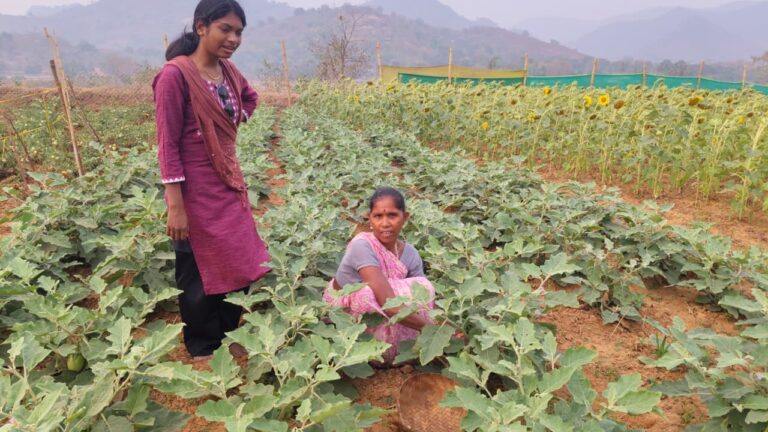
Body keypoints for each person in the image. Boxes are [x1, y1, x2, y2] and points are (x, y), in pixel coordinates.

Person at [153, 0, 269, 360]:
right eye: (225, 29)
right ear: (201, 27)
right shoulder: (174, 76)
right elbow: (167, 143)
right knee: (197, 268)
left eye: (239, 32)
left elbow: (250, 98)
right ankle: (203, 346)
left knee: (237, 259)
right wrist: (176, 205)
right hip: (192, 190)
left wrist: (228, 128)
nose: (233, 38)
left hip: (228, 183)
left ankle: (228, 332)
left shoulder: (229, 73)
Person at [324, 187, 437, 364]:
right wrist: (435, 332)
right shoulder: (362, 245)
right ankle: (369, 353)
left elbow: (423, 302)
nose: (385, 223)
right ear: (370, 218)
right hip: (348, 314)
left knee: (424, 287)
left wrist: (449, 328)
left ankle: (397, 350)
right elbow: (388, 305)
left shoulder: (410, 253)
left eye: (392, 215)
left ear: (405, 217)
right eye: (378, 216)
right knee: (367, 293)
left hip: (388, 310)